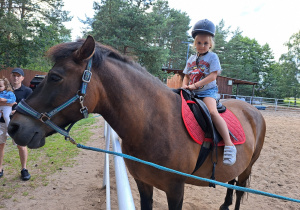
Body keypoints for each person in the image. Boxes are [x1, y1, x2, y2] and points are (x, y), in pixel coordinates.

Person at [182, 19, 237, 166]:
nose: (202, 46)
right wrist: (184, 87)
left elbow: (213, 76)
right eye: (199, 43)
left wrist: (195, 86)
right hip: (191, 91)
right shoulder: (191, 59)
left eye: (205, 43)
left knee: (213, 112)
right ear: (195, 43)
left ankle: (229, 144)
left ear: (210, 44)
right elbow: (186, 76)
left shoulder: (213, 57)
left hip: (207, 92)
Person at [0, 68, 33, 180]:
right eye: (14, 75)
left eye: (18, 76)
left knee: (21, 146)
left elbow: (31, 108)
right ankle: (0, 169)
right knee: (0, 145)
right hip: (2, 122)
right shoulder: (3, 89)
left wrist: (17, 111)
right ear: (10, 76)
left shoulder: (27, 91)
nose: (16, 77)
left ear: (22, 78)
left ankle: (24, 169)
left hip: (19, 124)